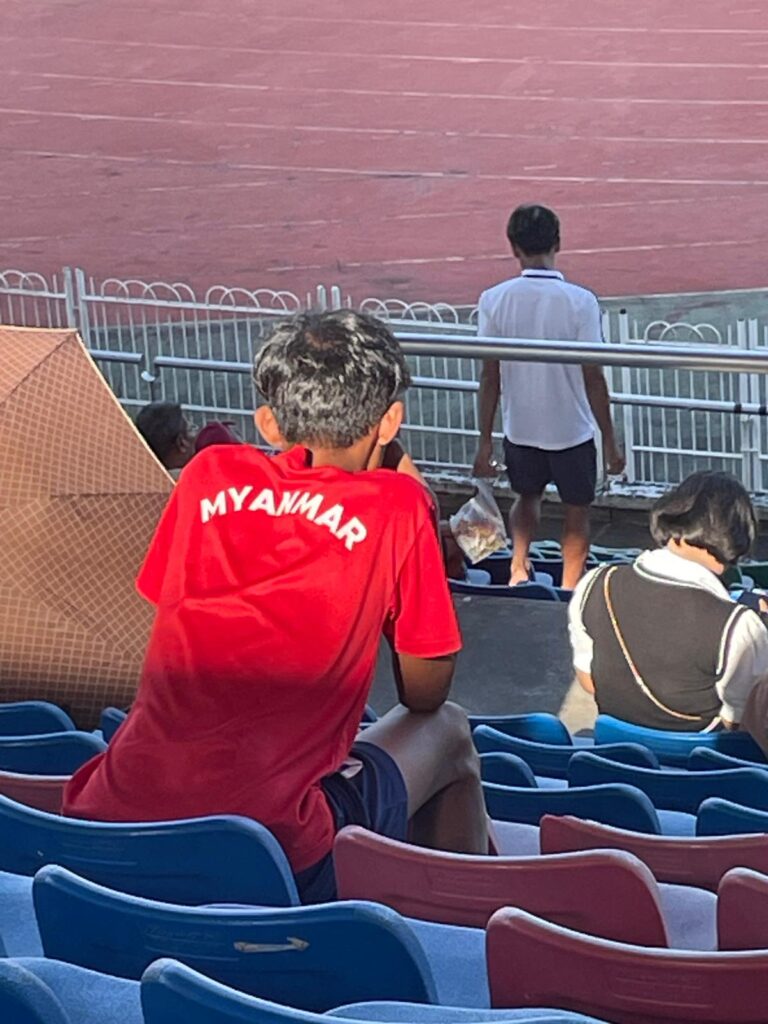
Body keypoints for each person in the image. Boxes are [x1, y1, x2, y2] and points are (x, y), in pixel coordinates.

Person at [63, 310, 488, 902]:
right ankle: (453, 927)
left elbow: (168, 599)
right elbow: (425, 693)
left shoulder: (207, 475)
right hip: (270, 842)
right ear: (390, 420)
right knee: (450, 732)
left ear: (267, 421)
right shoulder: (397, 506)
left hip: (114, 814)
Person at [472, 204, 625, 590]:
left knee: (526, 498)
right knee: (577, 509)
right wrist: (609, 440)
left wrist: (484, 440)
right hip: (571, 430)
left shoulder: (493, 299)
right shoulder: (580, 301)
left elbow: (490, 376)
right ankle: (571, 584)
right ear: (558, 242)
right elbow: (594, 375)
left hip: (520, 426)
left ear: (514, 248)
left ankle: (518, 568)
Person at [568, 471, 768, 731]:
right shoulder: (739, 625)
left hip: (617, 755)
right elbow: (739, 722)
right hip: (701, 763)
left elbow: (588, 680)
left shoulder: (596, 583)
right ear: (739, 535)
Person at [135, 401, 195, 475]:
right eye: (191, 429)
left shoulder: (134, 481)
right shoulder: (199, 482)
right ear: (181, 443)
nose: (196, 435)